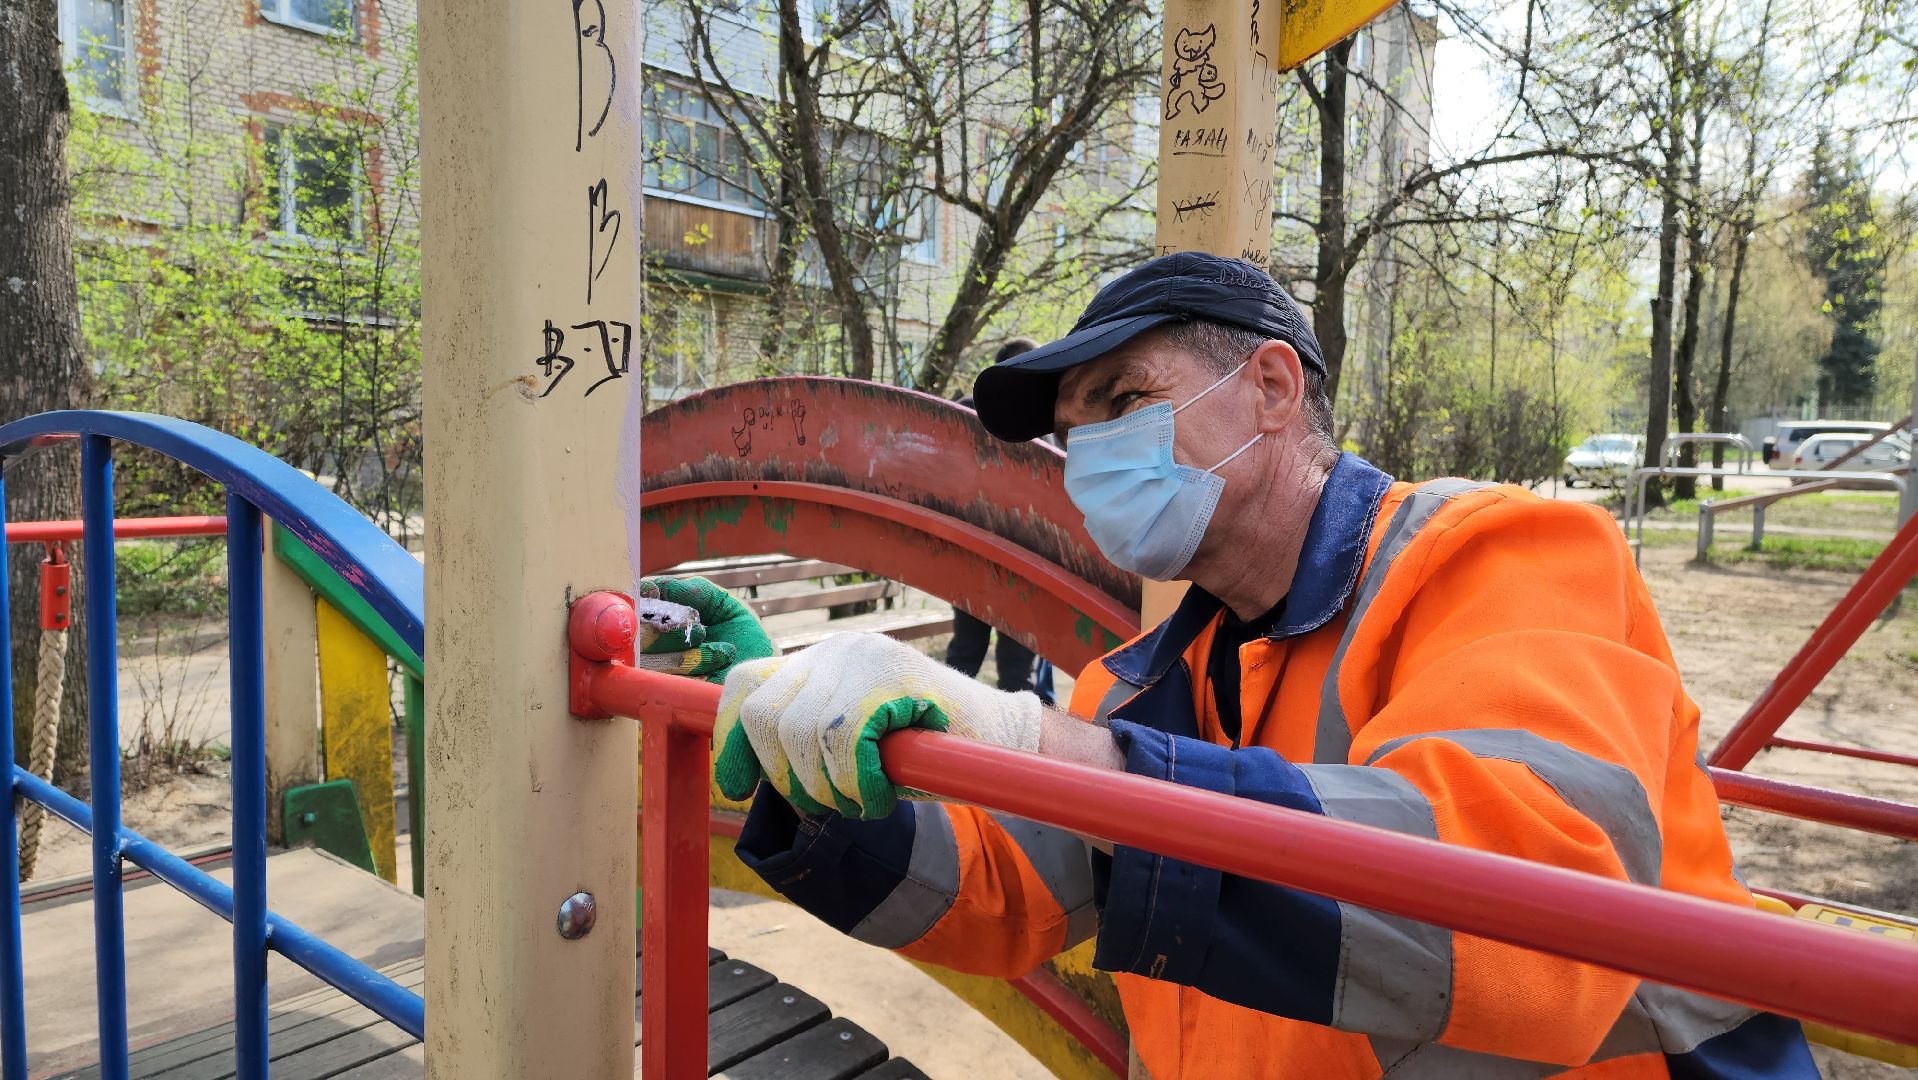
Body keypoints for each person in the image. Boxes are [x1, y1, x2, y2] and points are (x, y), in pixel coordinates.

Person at [640, 253, 1816, 1078]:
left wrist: (1033, 740)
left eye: (1123, 400)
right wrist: (802, 751)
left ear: (1269, 387)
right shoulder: (1139, 685)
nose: (1087, 458)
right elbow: (993, 894)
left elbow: (1529, 901)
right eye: (1073, 433)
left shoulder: (1503, 557)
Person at [947, 338, 1055, 704]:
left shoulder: (1046, 427)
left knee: (1017, 671)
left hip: (1024, 565)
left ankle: (1016, 735)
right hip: (973, 557)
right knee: (966, 652)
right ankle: (947, 724)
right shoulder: (966, 414)